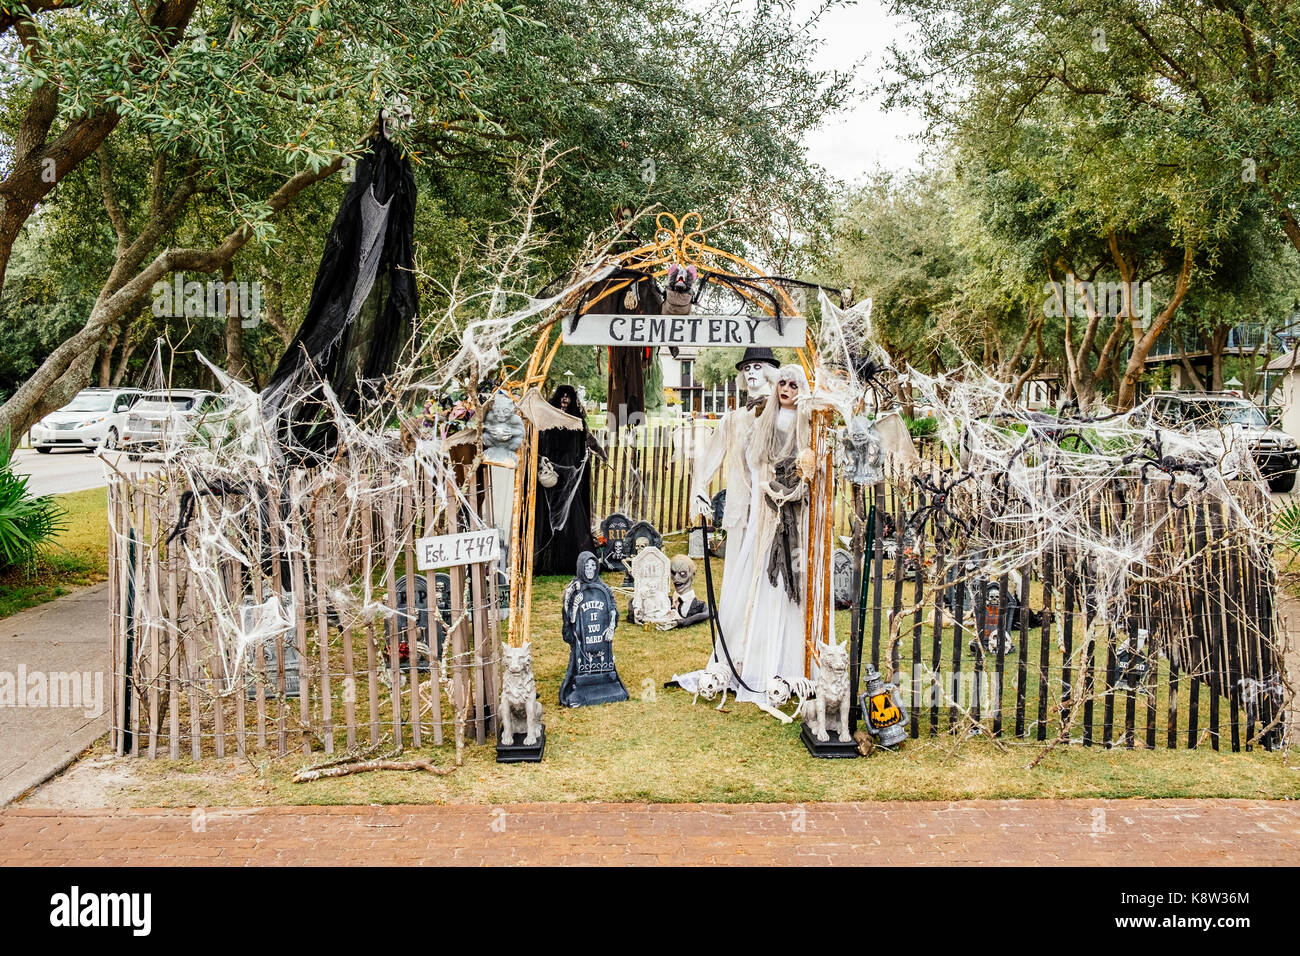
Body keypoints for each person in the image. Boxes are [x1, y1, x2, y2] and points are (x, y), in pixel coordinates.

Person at [533, 384, 604, 574]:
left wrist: (599, 453)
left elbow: (585, 440)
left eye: (568, 397)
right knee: (548, 515)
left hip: (570, 476)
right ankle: (548, 561)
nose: (565, 400)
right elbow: (541, 441)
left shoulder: (576, 420)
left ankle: (570, 560)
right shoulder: (548, 417)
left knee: (572, 515)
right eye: (562, 396)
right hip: (552, 474)